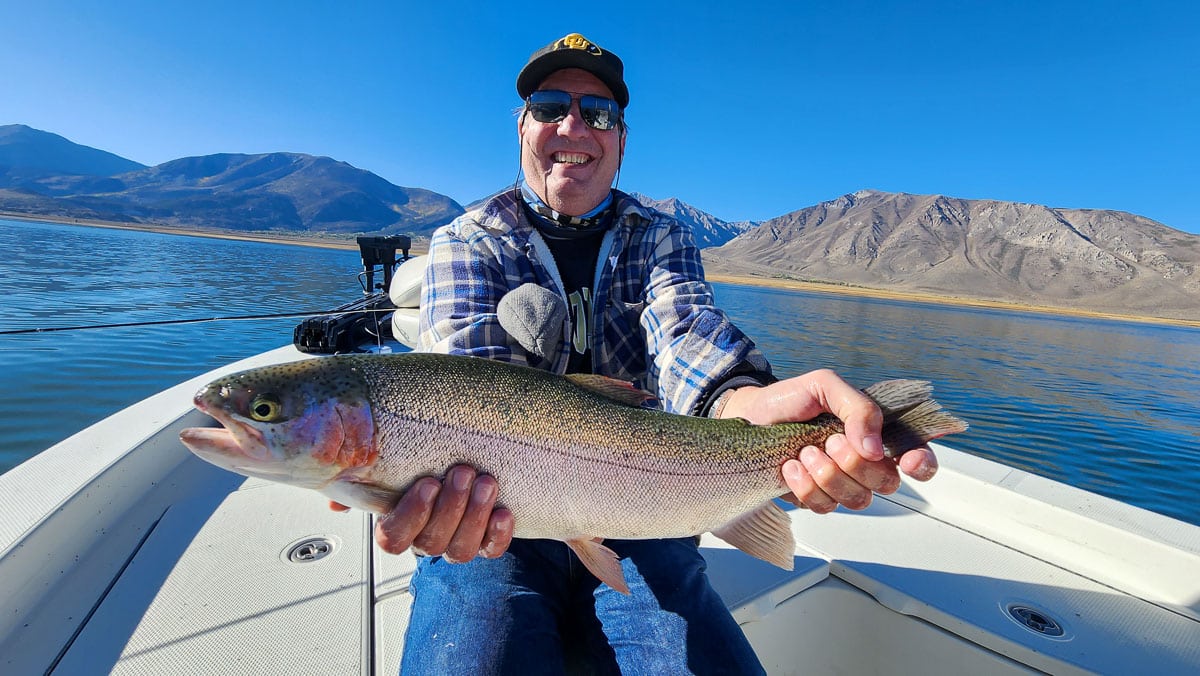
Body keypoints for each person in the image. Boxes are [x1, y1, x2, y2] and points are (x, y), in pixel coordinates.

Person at [354, 32, 940, 673]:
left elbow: (687, 333)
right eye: (551, 106)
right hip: (493, 524)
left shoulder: (661, 237)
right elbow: (474, 389)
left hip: (645, 508)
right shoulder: (468, 240)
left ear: (621, 140)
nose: (573, 124)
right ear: (523, 126)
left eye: (598, 113)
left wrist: (746, 402)